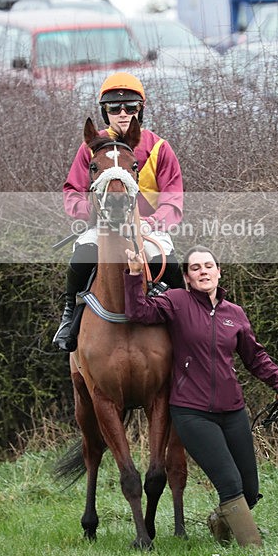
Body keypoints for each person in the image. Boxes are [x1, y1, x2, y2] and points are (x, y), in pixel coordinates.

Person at [124, 244, 278, 547]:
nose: (203, 271)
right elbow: (138, 311)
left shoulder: (235, 314)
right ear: (187, 278)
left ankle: (220, 521)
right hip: (192, 412)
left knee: (249, 490)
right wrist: (135, 275)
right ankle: (253, 551)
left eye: (208, 266)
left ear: (218, 271)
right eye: (195, 268)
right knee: (230, 484)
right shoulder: (176, 301)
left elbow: (254, 356)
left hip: (233, 411)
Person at [53, 71, 185, 352]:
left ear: (141, 110)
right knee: (81, 256)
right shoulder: (89, 149)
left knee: (170, 264)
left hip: (148, 228)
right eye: (114, 108)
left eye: (130, 107)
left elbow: (174, 199)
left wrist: (152, 222)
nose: (123, 113)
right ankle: (68, 315)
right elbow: (72, 192)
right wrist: (89, 211)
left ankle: (189, 323)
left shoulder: (160, 148)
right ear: (105, 113)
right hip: (102, 226)